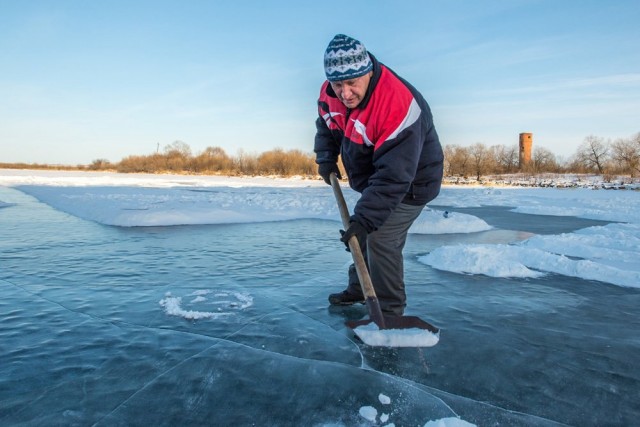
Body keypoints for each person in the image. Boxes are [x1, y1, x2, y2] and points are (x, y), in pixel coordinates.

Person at [314, 34, 443, 317]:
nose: (345, 93)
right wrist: (326, 158)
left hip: (412, 181)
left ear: (367, 72)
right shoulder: (329, 93)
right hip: (377, 177)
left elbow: (394, 177)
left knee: (380, 236)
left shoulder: (396, 104)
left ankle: (388, 313)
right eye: (338, 85)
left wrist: (364, 221)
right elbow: (326, 126)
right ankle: (360, 287)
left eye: (352, 84)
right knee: (364, 234)